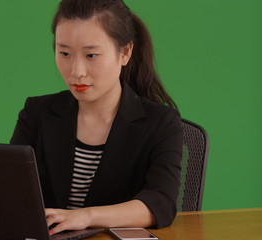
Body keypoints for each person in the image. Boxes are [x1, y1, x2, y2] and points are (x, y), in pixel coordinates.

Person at [10, 0, 183, 235]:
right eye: (64, 53)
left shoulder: (161, 122)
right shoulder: (37, 113)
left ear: (125, 52)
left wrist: (85, 216)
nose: (76, 71)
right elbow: (9, 190)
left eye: (91, 55)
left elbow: (160, 204)